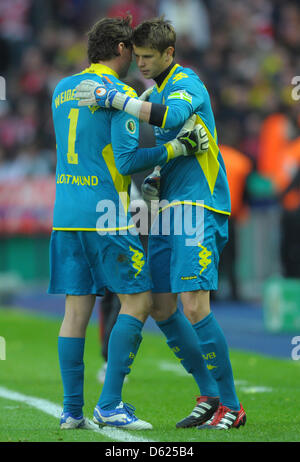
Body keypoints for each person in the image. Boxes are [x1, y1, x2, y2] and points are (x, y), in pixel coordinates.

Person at [76, 17, 246, 430]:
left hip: (198, 206)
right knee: (159, 304)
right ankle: (208, 395)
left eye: (150, 57)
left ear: (169, 53)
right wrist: (156, 177)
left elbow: (171, 118)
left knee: (193, 304)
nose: (142, 65)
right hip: (168, 207)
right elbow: (177, 143)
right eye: (138, 58)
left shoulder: (188, 83)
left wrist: (117, 100)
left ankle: (232, 406)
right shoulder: (155, 89)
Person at [49, 16, 207, 431]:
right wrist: (175, 149)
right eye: (132, 53)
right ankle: (111, 403)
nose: (136, 62)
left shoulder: (61, 91)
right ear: (120, 50)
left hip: (64, 214)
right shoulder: (120, 93)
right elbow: (126, 161)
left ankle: (70, 411)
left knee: (75, 311)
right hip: (106, 212)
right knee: (137, 302)